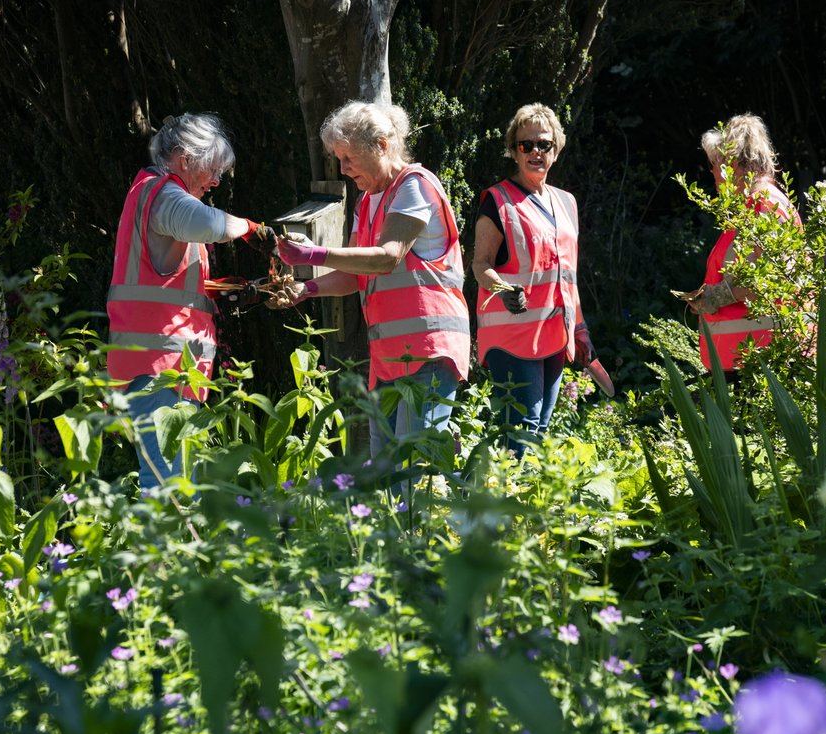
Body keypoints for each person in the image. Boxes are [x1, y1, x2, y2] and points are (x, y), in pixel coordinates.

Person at [270, 100, 470, 456]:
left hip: (428, 352)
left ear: (381, 145)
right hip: (390, 358)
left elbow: (388, 257)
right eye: (338, 159)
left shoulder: (414, 185)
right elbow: (354, 273)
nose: (344, 169)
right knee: (386, 473)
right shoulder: (367, 202)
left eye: (348, 158)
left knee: (413, 469)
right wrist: (307, 288)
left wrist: (313, 254)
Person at [107, 112, 276, 493]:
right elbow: (210, 224)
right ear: (185, 158)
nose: (216, 181)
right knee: (168, 485)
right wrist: (248, 228)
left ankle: (173, 554)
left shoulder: (158, 198)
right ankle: (160, 555)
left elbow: (166, 285)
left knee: (180, 484)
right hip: (157, 369)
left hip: (168, 368)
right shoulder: (162, 193)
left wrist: (222, 291)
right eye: (212, 169)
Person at [472, 103, 594, 452]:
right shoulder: (497, 200)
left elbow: (568, 277)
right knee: (521, 432)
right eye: (526, 145)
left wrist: (581, 329)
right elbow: (480, 264)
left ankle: (516, 501)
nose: (535, 152)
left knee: (538, 431)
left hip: (555, 335)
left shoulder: (566, 202)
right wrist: (502, 288)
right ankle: (503, 502)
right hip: (513, 336)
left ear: (556, 150)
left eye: (544, 145)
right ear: (514, 150)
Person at [685, 113, 802, 371]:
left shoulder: (765, 205)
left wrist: (715, 297)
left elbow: (773, 277)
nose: (713, 174)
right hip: (748, 359)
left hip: (761, 361)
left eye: (714, 164)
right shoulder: (754, 207)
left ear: (733, 164)